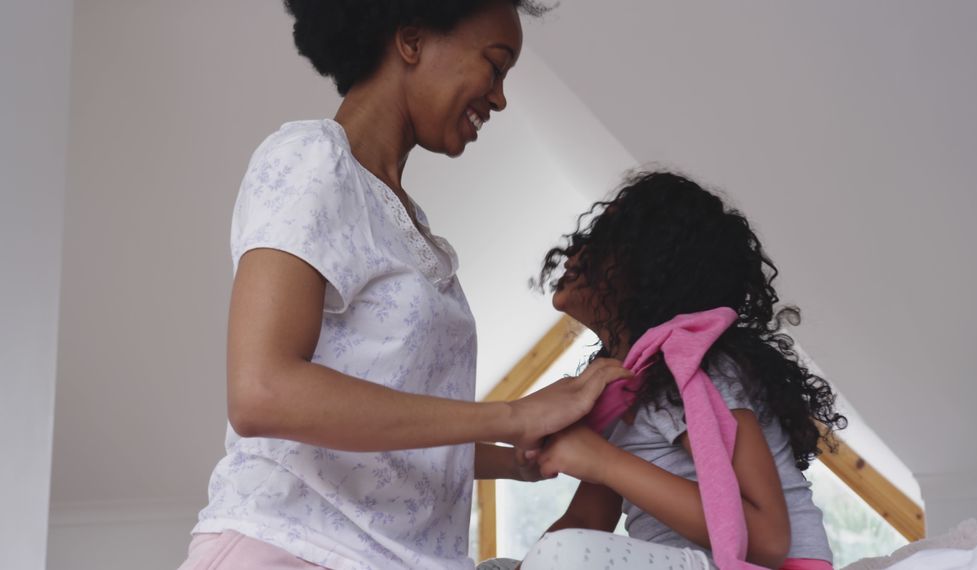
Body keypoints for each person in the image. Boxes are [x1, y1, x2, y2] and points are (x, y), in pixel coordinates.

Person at [177, 1, 627, 569]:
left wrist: (518, 458)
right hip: (293, 547)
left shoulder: (409, 224)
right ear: (411, 41)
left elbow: (383, 426)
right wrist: (513, 416)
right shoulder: (312, 161)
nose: (499, 97)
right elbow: (262, 391)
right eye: (494, 65)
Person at [515, 171, 847, 569]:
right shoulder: (619, 389)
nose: (574, 256)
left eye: (599, 243)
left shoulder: (696, 371)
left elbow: (770, 538)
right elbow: (586, 520)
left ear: (646, 269)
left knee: (560, 557)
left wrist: (603, 461)